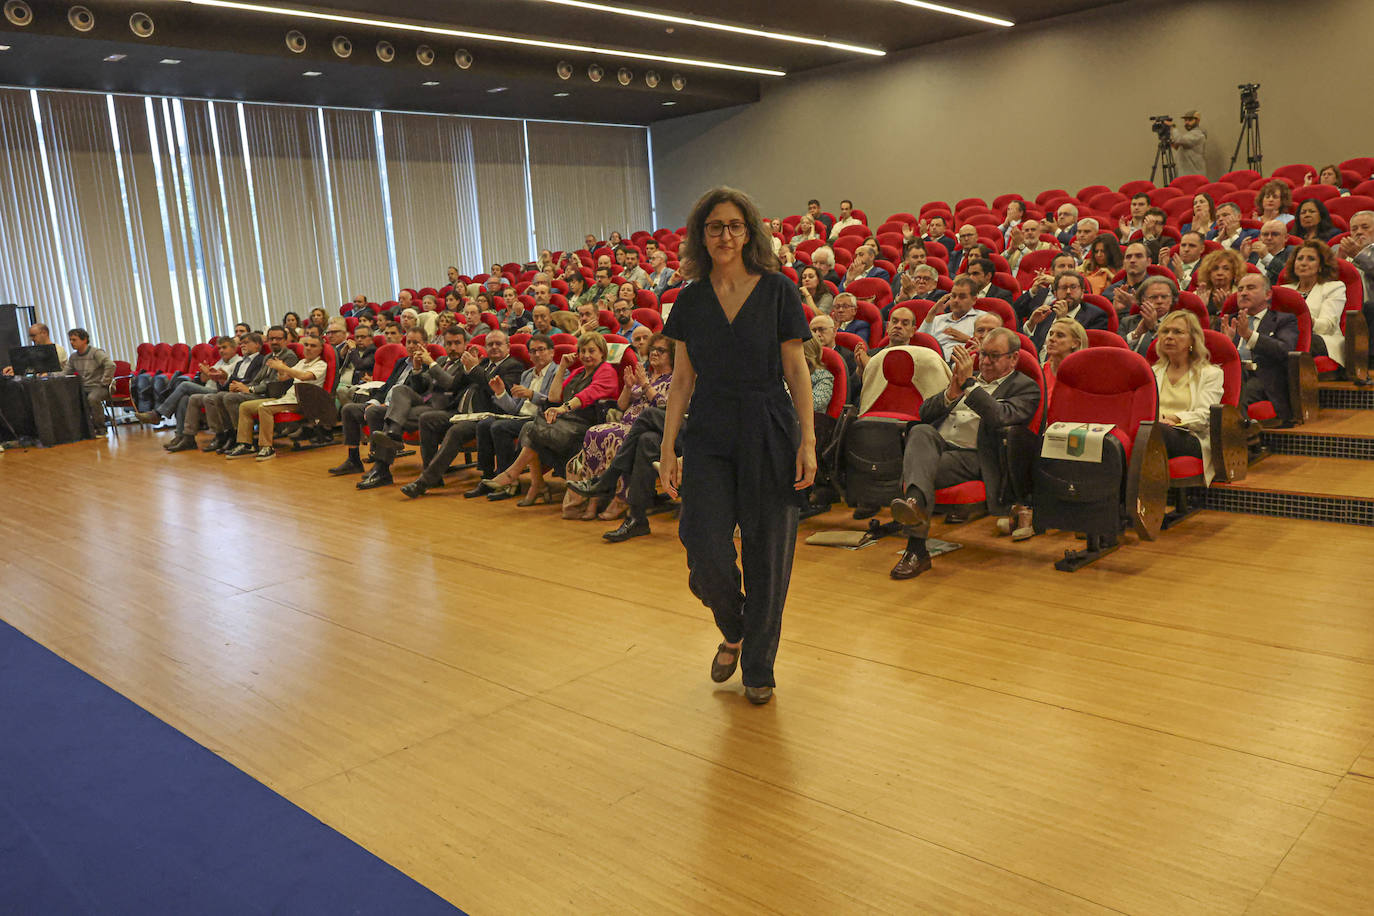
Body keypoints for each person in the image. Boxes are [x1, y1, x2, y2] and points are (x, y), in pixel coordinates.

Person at [655, 186, 814, 707]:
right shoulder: (691, 298)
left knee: (769, 553)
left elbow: (796, 369)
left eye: (735, 226)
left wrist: (807, 440)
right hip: (710, 426)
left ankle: (759, 666)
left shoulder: (778, 290)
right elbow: (681, 379)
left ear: (750, 232)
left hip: (769, 423)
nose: (725, 235)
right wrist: (667, 447)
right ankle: (734, 627)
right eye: (715, 226)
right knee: (703, 544)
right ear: (702, 235)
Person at [888, 327, 1039, 579]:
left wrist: (970, 385)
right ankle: (914, 505)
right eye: (983, 355)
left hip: (977, 456)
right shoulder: (967, 379)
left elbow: (1000, 417)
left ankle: (915, 548)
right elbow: (924, 413)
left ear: (1013, 358)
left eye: (994, 356)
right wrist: (951, 393)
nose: (985, 362)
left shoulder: (1025, 387)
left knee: (917, 472)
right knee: (922, 431)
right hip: (940, 448)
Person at [484, 333, 619, 506]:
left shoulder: (607, 371)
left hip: (588, 425)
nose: (586, 355)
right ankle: (536, 483)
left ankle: (515, 474)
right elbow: (554, 397)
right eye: (583, 351)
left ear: (602, 353)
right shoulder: (578, 371)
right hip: (568, 422)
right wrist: (562, 367)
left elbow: (588, 394)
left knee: (532, 429)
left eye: (591, 351)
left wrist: (563, 408)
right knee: (528, 427)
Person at [396, 329, 527, 497]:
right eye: (490, 344)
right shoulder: (483, 363)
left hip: (485, 416)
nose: (494, 347)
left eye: (498, 344)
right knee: (427, 418)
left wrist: (474, 369)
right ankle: (433, 475)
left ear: (508, 347)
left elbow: (501, 391)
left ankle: (424, 482)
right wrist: (467, 368)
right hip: (460, 412)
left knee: (456, 431)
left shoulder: (513, 366)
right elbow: (453, 385)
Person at [566, 333, 673, 521]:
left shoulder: (673, 380)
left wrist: (646, 385)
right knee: (594, 432)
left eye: (661, 350)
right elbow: (622, 406)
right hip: (627, 422)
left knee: (616, 437)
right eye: (653, 349)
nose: (655, 353)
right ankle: (594, 497)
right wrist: (628, 386)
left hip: (651, 430)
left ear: (672, 354)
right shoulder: (644, 374)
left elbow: (665, 407)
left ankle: (621, 498)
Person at [224, 333, 327, 460]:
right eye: (306, 345)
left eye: (313, 346)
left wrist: (283, 367)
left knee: (264, 407)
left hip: (304, 401)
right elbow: (284, 378)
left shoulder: (321, 364)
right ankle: (246, 444)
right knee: (245, 407)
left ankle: (266, 447)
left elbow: (303, 376)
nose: (308, 348)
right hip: (288, 397)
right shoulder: (301, 362)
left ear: (320, 349)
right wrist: (280, 370)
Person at [1152, 309, 1224, 483]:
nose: (1169, 336)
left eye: (1177, 332)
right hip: (1153, 432)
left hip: (1190, 437)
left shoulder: (1210, 374)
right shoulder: (1152, 372)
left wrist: (1173, 418)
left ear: (1193, 339)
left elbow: (1206, 416)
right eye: (1165, 331)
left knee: (1153, 430)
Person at [135, 336, 242, 448]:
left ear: (234, 348)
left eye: (224, 347)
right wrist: (204, 373)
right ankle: (185, 437)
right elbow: (204, 380)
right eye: (219, 348)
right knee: (184, 399)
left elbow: (233, 383)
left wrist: (220, 377)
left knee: (185, 385)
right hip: (208, 389)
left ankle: (158, 414)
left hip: (220, 393)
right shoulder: (220, 362)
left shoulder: (238, 362)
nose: (221, 351)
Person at [202, 326, 297, 452]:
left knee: (229, 397)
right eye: (271, 338)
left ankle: (242, 439)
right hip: (261, 391)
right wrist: (243, 387)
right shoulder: (269, 356)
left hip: (275, 394)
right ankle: (229, 434)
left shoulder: (289, 356)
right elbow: (258, 379)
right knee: (219, 396)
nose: (274, 341)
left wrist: (250, 389)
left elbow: (273, 382)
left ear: (285, 340)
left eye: (278, 339)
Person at [1223, 273, 1298, 424]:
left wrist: (1249, 336)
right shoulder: (1229, 321)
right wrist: (1227, 344)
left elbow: (1284, 350)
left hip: (1261, 376)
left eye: (1251, 288)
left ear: (1268, 294)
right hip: (1229, 373)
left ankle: (1241, 440)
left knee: (1236, 394)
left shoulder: (1284, 320)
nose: (1243, 293)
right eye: (1240, 289)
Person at [189, 333, 264, 452]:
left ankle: (239, 437)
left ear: (257, 345)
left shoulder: (261, 360)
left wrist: (234, 383)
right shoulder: (240, 363)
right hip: (236, 391)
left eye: (247, 343)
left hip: (250, 392)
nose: (243, 345)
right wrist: (223, 379)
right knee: (219, 396)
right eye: (242, 343)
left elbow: (255, 380)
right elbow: (229, 382)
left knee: (226, 397)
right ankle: (227, 434)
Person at [1282, 240, 1347, 366]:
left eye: (1311, 259)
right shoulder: (1285, 290)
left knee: (1291, 340)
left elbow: (1327, 326)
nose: (1303, 263)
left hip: (1322, 339)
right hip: (1288, 337)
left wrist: (1305, 320)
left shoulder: (1333, 287)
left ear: (1321, 265)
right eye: (1300, 259)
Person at [1023, 271, 1108, 352]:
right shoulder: (1046, 312)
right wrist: (1031, 324)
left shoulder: (1096, 316)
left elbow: (1084, 351)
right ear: (1055, 294)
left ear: (1082, 293)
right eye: (1063, 288)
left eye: (1073, 287)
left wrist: (1063, 321)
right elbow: (1027, 345)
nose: (1068, 292)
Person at [60, 328, 115, 434]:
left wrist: (105, 381)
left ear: (84, 340)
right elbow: (65, 372)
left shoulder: (96, 353)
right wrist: (49, 375)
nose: (71, 342)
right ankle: (86, 428)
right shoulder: (73, 357)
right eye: (70, 340)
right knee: (71, 399)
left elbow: (111, 365)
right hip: (85, 387)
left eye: (74, 340)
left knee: (92, 398)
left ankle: (101, 429)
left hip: (102, 387)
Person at [917, 277, 980, 359]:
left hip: (963, 362)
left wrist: (968, 340)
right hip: (934, 361)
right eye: (953, 296)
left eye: (962, 297)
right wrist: (931, 314)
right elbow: (919, 344)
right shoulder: (937, 319)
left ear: (974, 300)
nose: (956, 300)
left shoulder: (982, 319)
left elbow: (989, 347)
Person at [1012, 251, 1078, 323]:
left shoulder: (1076, 294)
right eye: (1062, 266)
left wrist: (1057, 282)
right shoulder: (1040, 291)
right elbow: (1015, 313)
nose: (1066, 270)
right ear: (1051, 271)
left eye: (1070, 266)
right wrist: (1032, 292)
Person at [1120, 276, 1179, 356]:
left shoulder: (1179, 323)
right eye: (1154, 297)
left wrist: (1154, 328)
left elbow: (1176, 353)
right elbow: (1117, 351)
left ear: (1172, 299)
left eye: (1164, 297)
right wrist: (1136, 334)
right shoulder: (1127, 322)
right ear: (1143, 300)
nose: (1159, 301)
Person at [1040, 316, 1088, 403]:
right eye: (1051, 334)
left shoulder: (1084, 378)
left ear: (1075, 343)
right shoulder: (1040, 371)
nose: (1051, 339)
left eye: (1060, 335)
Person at [1104, 241, 1152, 318]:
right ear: (1124, 263)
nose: (1132, 260)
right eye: (1128, 257)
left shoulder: (1157, 290)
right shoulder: (1111, 291)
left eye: (1139, 256)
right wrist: (1114, 312)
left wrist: (1136, 306)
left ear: (1148, 262)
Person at [1195, 247, 1246, 320]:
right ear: (1208, 273)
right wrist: (1201, 308)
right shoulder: (1198, 295)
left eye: (1226, 269)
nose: (1220, 273)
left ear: (1234, 272)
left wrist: (1225, 309)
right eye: (1215, 269)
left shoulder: (1241, 295)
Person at [1245, 219, 1296, 286]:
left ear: (1286, 238)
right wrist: (1244, 258)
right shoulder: (1253, 254)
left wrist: (1266, 257)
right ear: (1259, 238)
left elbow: (1288, 275)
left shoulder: (1293, 253)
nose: (1269, 238)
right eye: (1265, 234)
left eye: (1275, 234)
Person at [1170, 109, 1207, 177]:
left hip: (1194, 175)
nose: (1186, 122)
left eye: (1190, 120)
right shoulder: (1190, 135)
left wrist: (1173, 127)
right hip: (1187, 174)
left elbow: (1179, 140)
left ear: (1198, 120)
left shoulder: (1198, 134)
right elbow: (1179, 146)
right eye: (1185, 120)